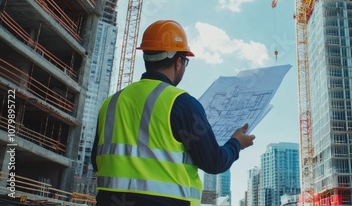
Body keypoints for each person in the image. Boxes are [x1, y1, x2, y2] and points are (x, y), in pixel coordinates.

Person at [91, 20, 255, 206]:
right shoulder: (181, 103)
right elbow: (214, 162)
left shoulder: (111, 103)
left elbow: (97, 162)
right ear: (179, 62)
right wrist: (236, 144)